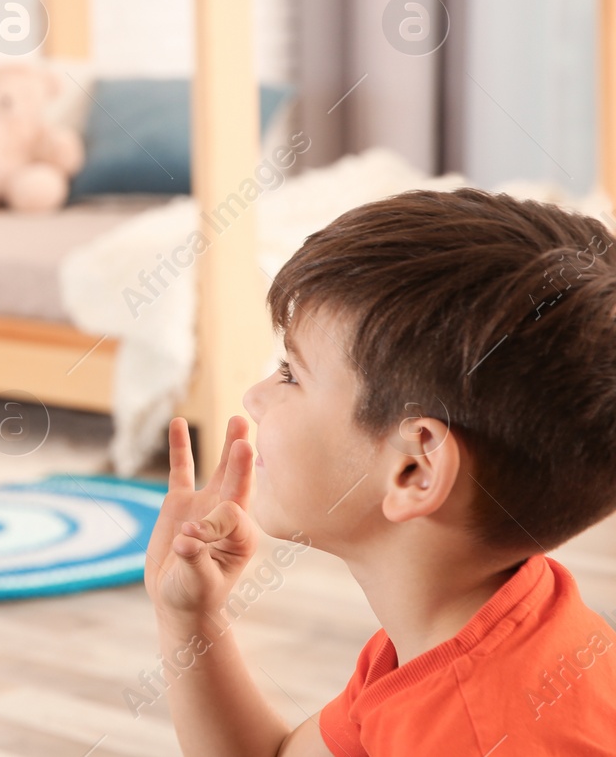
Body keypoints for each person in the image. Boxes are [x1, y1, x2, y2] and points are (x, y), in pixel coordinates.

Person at [145, 187, 616, 756]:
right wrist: (187, 617)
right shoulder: (487, 622)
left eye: (290, 373)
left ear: (416, 469)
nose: (254, 396)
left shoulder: (473, 735)